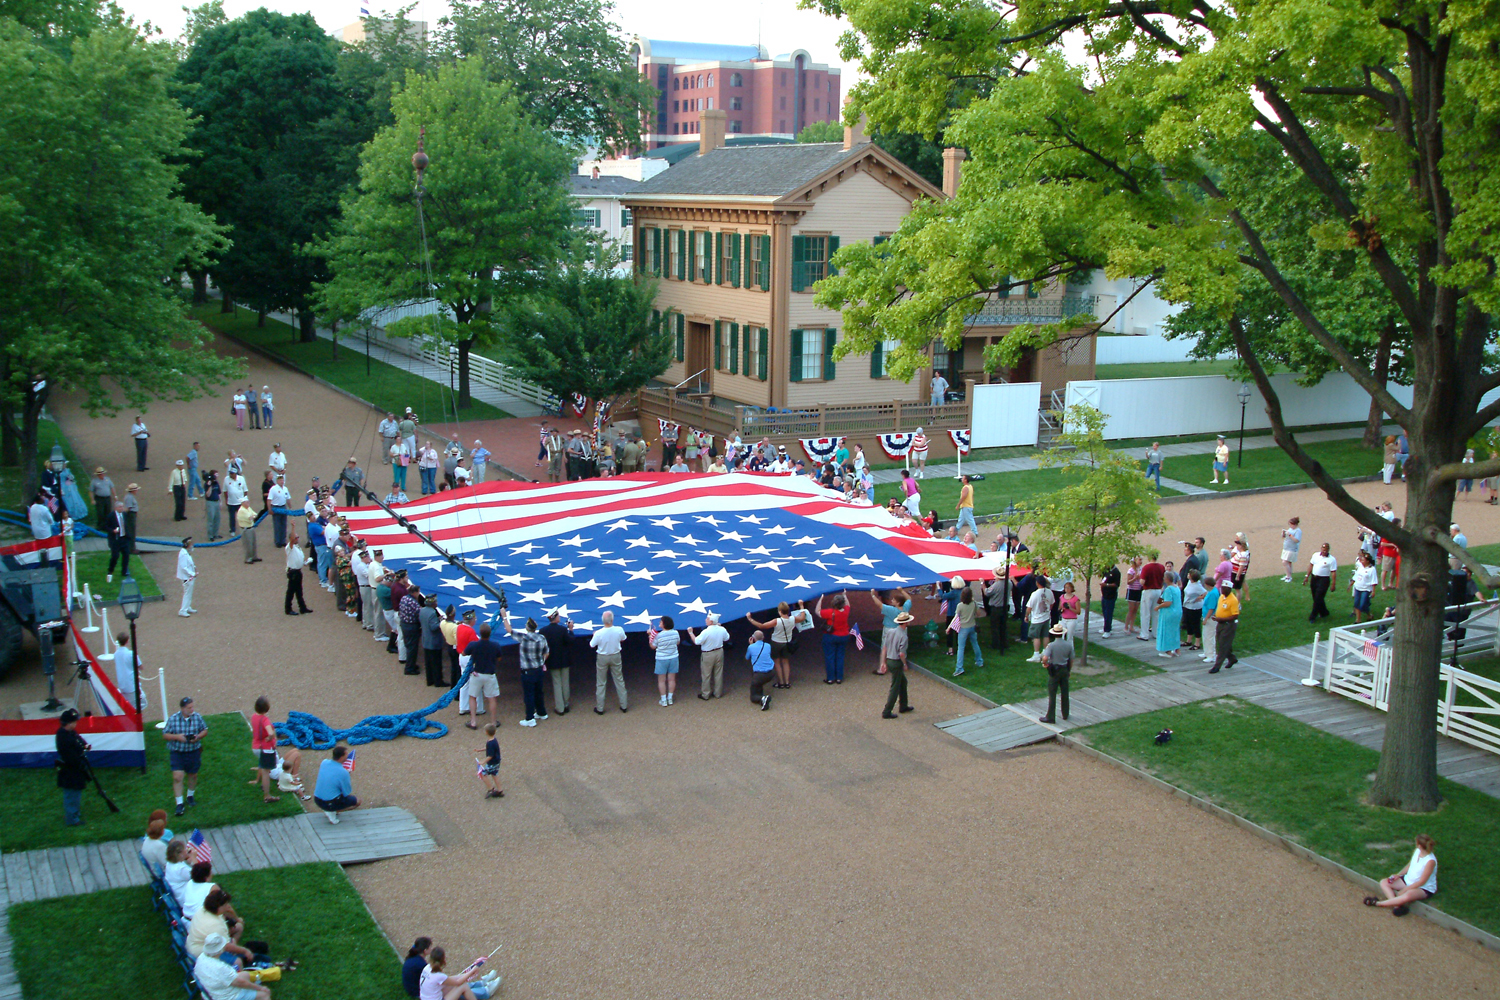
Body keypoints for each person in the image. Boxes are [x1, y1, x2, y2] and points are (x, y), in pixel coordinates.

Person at [1364, 834, 1438, 916]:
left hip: (1422, 888)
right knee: (1384, 882)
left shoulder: (1430, 861)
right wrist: (1398, 875)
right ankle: (1397, 906)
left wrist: (1405, 889)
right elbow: (1410, 865)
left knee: (1407, 895)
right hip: (1407, 880)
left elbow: (1421, 882)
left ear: (1419, 845)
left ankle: (1378, 903)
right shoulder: (1417, 851)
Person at [747, 601, 809, 690]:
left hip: (776, 642)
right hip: (787, 642)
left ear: (779, 611)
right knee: (785, 661)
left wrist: (750, 619)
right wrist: (801, 605)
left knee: (777, 662)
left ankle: (781, 682)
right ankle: (787, 682)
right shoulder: (793, 619)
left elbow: (762, 626)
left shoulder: (777, 621)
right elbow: (802, 617)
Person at [165, 696, 208, 816]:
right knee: (177, 777)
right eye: (189, 707)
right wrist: (177, 737)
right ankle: (179, 804)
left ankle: (190, 796)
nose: (192, 709)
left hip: (193, 751)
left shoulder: (197, 717)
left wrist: (198, 737)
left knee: (193, 775)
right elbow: (165, 735)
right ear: (182, 709)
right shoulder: (173, 719)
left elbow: (205, 730)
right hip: (177, 752)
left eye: (192, 707)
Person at [194, 933, 270, 1000]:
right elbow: (241, 983)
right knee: (264, 995)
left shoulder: (201, 957)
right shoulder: (221, 967)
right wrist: (260, 988)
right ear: (220, 949)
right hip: (225, 997)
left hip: (209, 991)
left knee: (245, 974)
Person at [505, 614, 550, 727]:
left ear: (527, 628)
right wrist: (541, 661)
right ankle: (541, 712)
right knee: (539, 692)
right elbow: (547, 652)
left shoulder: (523, 638)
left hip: (527, 671)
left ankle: (530, 718)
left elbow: (509, 630)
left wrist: (504, 616)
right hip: (538, 669)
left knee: (529, 695)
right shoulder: (542, 638)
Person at [419, 946, 497, 1000]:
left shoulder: (427, 967)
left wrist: (467, 974)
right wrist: (472, 971)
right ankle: (485, 992)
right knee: (463, 986)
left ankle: (480, 984)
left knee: (454, 982)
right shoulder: (438, 975)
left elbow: (448, 980)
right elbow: (458, 983)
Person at [55, 708, 90, 826]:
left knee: (75, 794)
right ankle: (72, 819)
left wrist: (85, 745)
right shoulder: (63, 738)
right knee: (72, 795)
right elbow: (71, 757)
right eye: (74, 721)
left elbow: (78, 739)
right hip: (70, 771)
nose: (76, 724)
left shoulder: (69, 733)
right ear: (69, 723)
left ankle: (74, 814)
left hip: (74, 769)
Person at [465, 623, 502, 729]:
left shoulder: (474, 645)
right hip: (490, 675)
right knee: (491, 698)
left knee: (472, 697)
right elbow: (499, 658)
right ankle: (493, 722)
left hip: (477, 674)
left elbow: (464, 653)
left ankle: (473, 722)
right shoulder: (495, 645)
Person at [590, 612, 628, 713]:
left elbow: (592, 645)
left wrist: (594, 636)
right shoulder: (619, 629)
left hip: (602, 657)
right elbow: (623, 638)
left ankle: (600, 707)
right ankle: (624, 705)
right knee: (619, 679)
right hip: (615, 655)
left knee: (601, 682)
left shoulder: (599, 633)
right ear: (612, 620)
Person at [684, 612, 728, 699]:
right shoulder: (722, 629)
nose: (705, 620)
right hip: (719, 651)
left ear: (711, 622)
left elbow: (697, 641)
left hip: (708, 654)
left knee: (706, 674)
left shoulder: (706, 631)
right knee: (718, 673)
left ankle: (706, 694)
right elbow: (726, 638)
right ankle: (718, 693)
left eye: (707, 619)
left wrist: (691, 633)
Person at [880, 612, 915, 718]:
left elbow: (884, 648)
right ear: (906, 623)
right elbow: (901, 654)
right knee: (895, 687)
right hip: (896, 662)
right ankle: (887, 711)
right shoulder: (903, 636)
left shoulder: (890, 632)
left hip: (890, 660)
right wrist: (904, 664)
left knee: (903, 682)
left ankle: (903, 705)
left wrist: (883, 662)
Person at [313, 745, 359, 823]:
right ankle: (333, 811)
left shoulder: (324, 762)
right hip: (330, 803)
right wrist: (346, 776)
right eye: (346, 754)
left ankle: (331, 810)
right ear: (342, 757)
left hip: (317, 799)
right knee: (357, 801)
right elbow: (346, 792)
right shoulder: (343, 772)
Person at [871, 589, 912, 674]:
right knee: (901, 648)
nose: (892, 600)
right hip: (902, 630)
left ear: (898, 603)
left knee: (884, 648)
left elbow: (879, 604)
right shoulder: (905, 608)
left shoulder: (891, 610)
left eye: (894, 600)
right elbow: (909, 598)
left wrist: (873, 595)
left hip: (889, 630)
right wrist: (901, 590)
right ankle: (902, 665)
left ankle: (882, 668)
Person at [249, 696, 282, 804]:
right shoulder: (265, 719)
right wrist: (270, 737)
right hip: (266, 748)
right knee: (266, 772)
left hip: (256, 746)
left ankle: (259, 781)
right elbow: (270, 732)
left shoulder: (254, 717)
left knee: (262, 765)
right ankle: (267, 796)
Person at [539, 610, 574, 713]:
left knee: (557, 684)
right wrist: (570, 630)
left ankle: (560, 707)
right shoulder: (563, 630)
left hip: (552, 661)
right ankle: (566, 703)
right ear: (555, 617)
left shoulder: (543, 631)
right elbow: (571, 640)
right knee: (565, 682)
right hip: (564, 660)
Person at [814, 592, 852, 684]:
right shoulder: (846, 610)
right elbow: (848, 604)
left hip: (831, 636)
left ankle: (830, 678)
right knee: (840, 656)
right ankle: (839, 677)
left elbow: (817, 611)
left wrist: (821, 599)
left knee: (829, 657)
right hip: (844, 636)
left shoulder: (830, 612)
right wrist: (845, 595)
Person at [1038, 624, 1072, 724]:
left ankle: (1050, 716)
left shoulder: (1051, 646)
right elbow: (1072, 659)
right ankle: (1065, 713)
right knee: (1065, 691)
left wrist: (1045, 664)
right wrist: (1069, 670)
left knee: (1052, 693)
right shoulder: (1068, 645)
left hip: (1055, 670)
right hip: (1064, 669)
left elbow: (1045, 658)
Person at [952, 583, 983, 676]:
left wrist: (950, 627)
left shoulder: (960, 606)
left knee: (961, 648)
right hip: (972, 626)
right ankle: (979, 661)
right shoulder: (974, 604)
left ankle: (959, 668)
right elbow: (978, 614)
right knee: (975, 644)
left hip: (963, 628)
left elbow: (956, 617)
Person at [1210, 580, 1240, 673]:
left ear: (1229, 589)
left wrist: (1222, 619)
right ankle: (1232, 658)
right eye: (1222, 588)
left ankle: (1217, 666)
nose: (1222, 590)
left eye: (1224, 588)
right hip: (1220, 623)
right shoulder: (1222, 597)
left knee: (1223, 645)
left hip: (1228, 625)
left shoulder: (1233, 600)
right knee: (1222, 642)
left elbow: (1235, 615)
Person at [651, 615, 681, 706]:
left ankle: (663, 700)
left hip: (661, 659)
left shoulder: (659, 636)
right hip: (674, 658)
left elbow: (653, 646)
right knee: (672, 679)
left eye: (660, 622)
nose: (659, 623)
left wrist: (650, 636)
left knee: (661, 680)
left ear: (664, 624)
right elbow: (678, 642)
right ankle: (670, 698)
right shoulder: (676, 633)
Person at [113, 629, 145, 714]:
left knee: (128, 706)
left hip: (122, 684)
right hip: (131, 684)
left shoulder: (116, 654)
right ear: (127, 641)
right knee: (139, 705)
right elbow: (141, 667)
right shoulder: (131, 654)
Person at [1306, 541, 1339, 621]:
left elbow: (1333, 572)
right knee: (1316, 597)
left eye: (1326, 550)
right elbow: (1311, 565)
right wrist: (1307, 576)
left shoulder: (1331, 560)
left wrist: (1333, 584)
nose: (1324, 551)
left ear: (1328, 550)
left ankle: (1313, 616)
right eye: (1323, 549)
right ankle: (1324, 612)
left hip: (1324, 580)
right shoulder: (1315, 555)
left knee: (1318, 597)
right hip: (1314, 578)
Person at [744, 630, 776, 710]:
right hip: (771, 672)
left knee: (753, 696)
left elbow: (747, 657)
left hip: (759, 675)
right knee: (759, 683)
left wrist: (751, 645)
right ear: (763, 637)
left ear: (753, 638)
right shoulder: (768, 646)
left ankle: (762, 699)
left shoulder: (751, 647)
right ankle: (761, 693)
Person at [283, 532, 312, 616]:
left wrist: (305, 562)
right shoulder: (289, 547)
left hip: (298, 571)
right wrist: (293, 526)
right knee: (291, 591)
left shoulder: (297, 547)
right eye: (296, 538)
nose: (297, 539)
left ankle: (302, 607)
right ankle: (288, 609)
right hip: (293, 572)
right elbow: (292, 540)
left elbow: (299, 559)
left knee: (299, 591)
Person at [1025, 576, 1053, 662]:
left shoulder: (1035, 594)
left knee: (1035, 636)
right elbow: (1052, 604)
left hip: (1037, 618)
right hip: (1046, 616)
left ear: (1037, 583)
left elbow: (1029, 607)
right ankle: (1045, 653)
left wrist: (1026, 616)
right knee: (1045, 635)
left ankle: (1036, 654)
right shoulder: (1049, 592)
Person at [1155, 572, 1183, 657]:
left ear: (1167, 579)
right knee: (1175, 630)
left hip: (1169, 613)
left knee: (1167, 631)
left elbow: (1168, 602)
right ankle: (1176, 649)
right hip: (1178, 612)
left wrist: (1158, 607)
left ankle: (1168, 651)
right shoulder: (1177, 587)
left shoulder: (1168, 589)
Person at [1137, 554, 1165, 640]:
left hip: (1148, 591)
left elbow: (1142, 582)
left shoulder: (1146, 567)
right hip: (1158, 591)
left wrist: (1139, 577)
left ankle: (1144, 634)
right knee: (1156, 613)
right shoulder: (1161, 567)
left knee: (1145, 613)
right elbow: (1163, 579)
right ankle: (1156, 633)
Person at [473, 723, 504, 800]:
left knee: (483, 774)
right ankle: (500, 790)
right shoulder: (494, 740)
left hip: (492, 763)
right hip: (497, 761)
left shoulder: (490, 743)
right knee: (494, 774)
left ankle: (491, 789)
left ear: (486, 732)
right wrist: (481, 750)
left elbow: (490, 755)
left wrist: (482, 762)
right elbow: (491, 749)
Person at [420, 596, 445, 688]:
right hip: (433, 641)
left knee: (428, 662)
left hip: (425, 639)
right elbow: (434, 627)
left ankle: (429, 680)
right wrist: (441, 622)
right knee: (436, 663)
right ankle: (438, 681)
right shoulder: (432, 613)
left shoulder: (422, 610)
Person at [1181, 569, 1207, 652]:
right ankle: (1189, 640)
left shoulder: (1197, 586)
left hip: (1195, 608)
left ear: (1192, 577)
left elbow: (1205, 592)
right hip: (1187, 606)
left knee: (1195, 624)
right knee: (1188, 623)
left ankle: (1197, 643)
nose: (1187, 574)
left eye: (1189, 574)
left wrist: (1200, 597)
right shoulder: (1190, 582)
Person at [104, 500, 129, 583]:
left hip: (123, 538)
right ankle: (110, 570)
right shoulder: (110, 516)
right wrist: (112, 531)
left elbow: (126, 524)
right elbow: (105, 526)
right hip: (115, 540)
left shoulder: (124, 514)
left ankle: (124, 571)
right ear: (116, 508)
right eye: (120, 507)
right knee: (115, 556)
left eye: (122, 506)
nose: (122, 508)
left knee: (126, 555)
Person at [1099, 561, 1122, 637]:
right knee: (1104, 611)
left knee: (1109, 612)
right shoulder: (1106, 570)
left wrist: (1106, 585)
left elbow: (1116, 584)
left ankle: (1107, 630)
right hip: (1104, 594)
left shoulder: (1116, 572)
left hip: (1111, 595)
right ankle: (1106, 627)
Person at [1123, 556, 1143, 635]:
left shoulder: (1141, 569)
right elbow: (1128, 582)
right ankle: (1126, 627)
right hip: (1132, 591)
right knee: (1131, 610)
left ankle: (1132, 626)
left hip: (1139, 590)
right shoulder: (1131, 570)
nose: (1141, 561)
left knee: (1135, 609)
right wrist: (1135, 578)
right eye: (1139, 560)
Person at [1280, 516, 1302, 582]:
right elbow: (1283, 537)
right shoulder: (1290, 529)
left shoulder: (1298, 531)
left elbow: (1296, 540)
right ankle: (1288, 575)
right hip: (1286, 548)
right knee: (1288, 562)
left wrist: (1290, 535)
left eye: (1291, 524)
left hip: (1292, 549)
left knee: (1284, 562)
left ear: (1295, 524)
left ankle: (1289, 577)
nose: (1290, 526)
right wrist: (1283, 533)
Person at [203, 469, 223, 541]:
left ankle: (215, 534)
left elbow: (219, 493)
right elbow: (208, 495)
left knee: (217, 519)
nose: (217, 476)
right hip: (210, 503)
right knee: (211, 519)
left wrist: (220, 502)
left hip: (216, 502)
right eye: (215, 475)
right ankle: (210, 535)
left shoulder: (216, 483)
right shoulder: (207, 484)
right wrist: (210, 486)